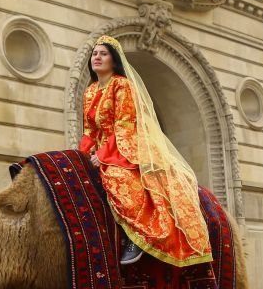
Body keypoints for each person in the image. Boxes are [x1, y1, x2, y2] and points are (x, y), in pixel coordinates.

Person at [79, 35, 211, 267]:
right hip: (101, 149)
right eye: (94, 54)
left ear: (114, 59)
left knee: (119, 180)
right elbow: (89, 131)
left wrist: (101, 156)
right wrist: (80, 156)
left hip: (126, 146)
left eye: (103, 53)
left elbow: (124, 126)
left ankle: (138, 238)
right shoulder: (90, 91)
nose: (97, 57)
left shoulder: (122, 85)